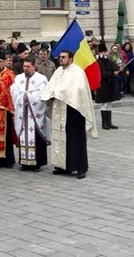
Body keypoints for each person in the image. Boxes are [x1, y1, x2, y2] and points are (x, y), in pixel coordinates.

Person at [41, 50, 97, 179]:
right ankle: (63, 166)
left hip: (74, 112)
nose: (61, 59)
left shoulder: (78, 72)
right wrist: (51, 94)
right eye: (60, 57)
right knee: (60, 139)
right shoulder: (58, 71)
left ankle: (80, 168)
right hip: (59, 111)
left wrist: (59, 92)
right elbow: (51, 87)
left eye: (63, 57)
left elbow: (79, 90)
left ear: (71, 58)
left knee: (75, 140)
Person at [11, 57, 49, 172]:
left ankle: (37, 163)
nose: (26, 69)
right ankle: (24, 162)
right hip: (22, 113)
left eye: (28, 66)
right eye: (24, 66)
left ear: (34, 66)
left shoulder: (41, 79)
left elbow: (43, 94)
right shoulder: (18, 78)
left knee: (36, 137)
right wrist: (23, 97)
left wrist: (30, 97)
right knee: (23, 137)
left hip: (35, 115)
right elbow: (14, 91)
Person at [95, 43, 120, 130]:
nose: (104, 53)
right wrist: (112, 73)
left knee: (109, 104)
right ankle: (104, 123)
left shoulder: (109, 60)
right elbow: (102, 74)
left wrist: (116, 67)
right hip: (103, 85)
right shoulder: (98, 62)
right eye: (103, 52)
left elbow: (116, 67)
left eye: (105, 51)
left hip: (110, 85)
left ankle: (109, 122)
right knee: (104, 104)